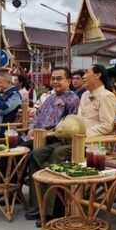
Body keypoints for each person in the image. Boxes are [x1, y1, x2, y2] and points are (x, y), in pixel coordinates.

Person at [27, 64, 116, 224]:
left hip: (92, 143)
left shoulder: (107, 96)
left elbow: (107, 125)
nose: (83, 76)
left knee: (58, 154)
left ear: (98, 75)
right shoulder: (85, 95)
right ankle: (38, 204)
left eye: (87, 73)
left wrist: (83, 135)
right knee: (37, 154)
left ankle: (55, 210)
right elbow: (77, 120)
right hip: (73, 139)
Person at [22, 68, 80, 219]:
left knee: (34, 154)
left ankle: (47, 207)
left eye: (59, 78)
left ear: (68, 81)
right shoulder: (49, 98)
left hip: (55, 138)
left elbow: (69, 124)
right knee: (19, 151)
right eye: (53, 78)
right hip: (37, 135)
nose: (55, 81)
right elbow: (38, 116)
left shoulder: (72, 99)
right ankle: (34, 203)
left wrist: (47, 133)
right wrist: (31, 128)